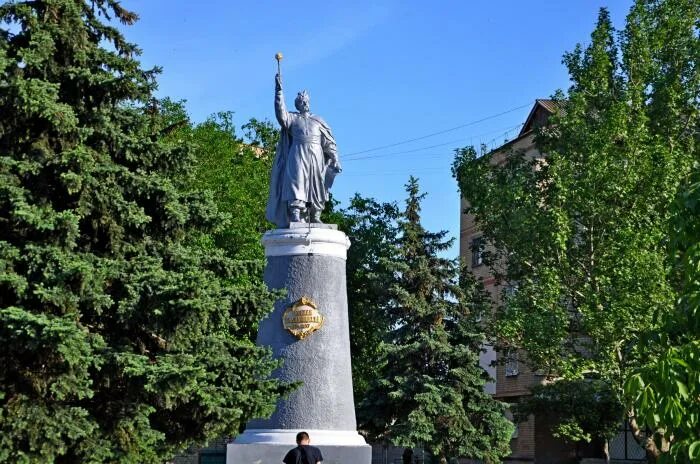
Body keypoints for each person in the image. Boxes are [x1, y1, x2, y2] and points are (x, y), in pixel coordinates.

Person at [266, 73, 341, 227]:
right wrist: (279, 92)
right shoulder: (292, 119)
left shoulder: (318, 120)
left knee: (317, 183)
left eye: (306, 101)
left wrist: (334, 157)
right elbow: (281, 115)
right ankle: (295, 213)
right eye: (301, 101)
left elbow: (328, 142)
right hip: (298, 153)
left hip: (316, 155)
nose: (304, 103)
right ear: (297, 105)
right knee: (296, 181)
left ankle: (315, 215)